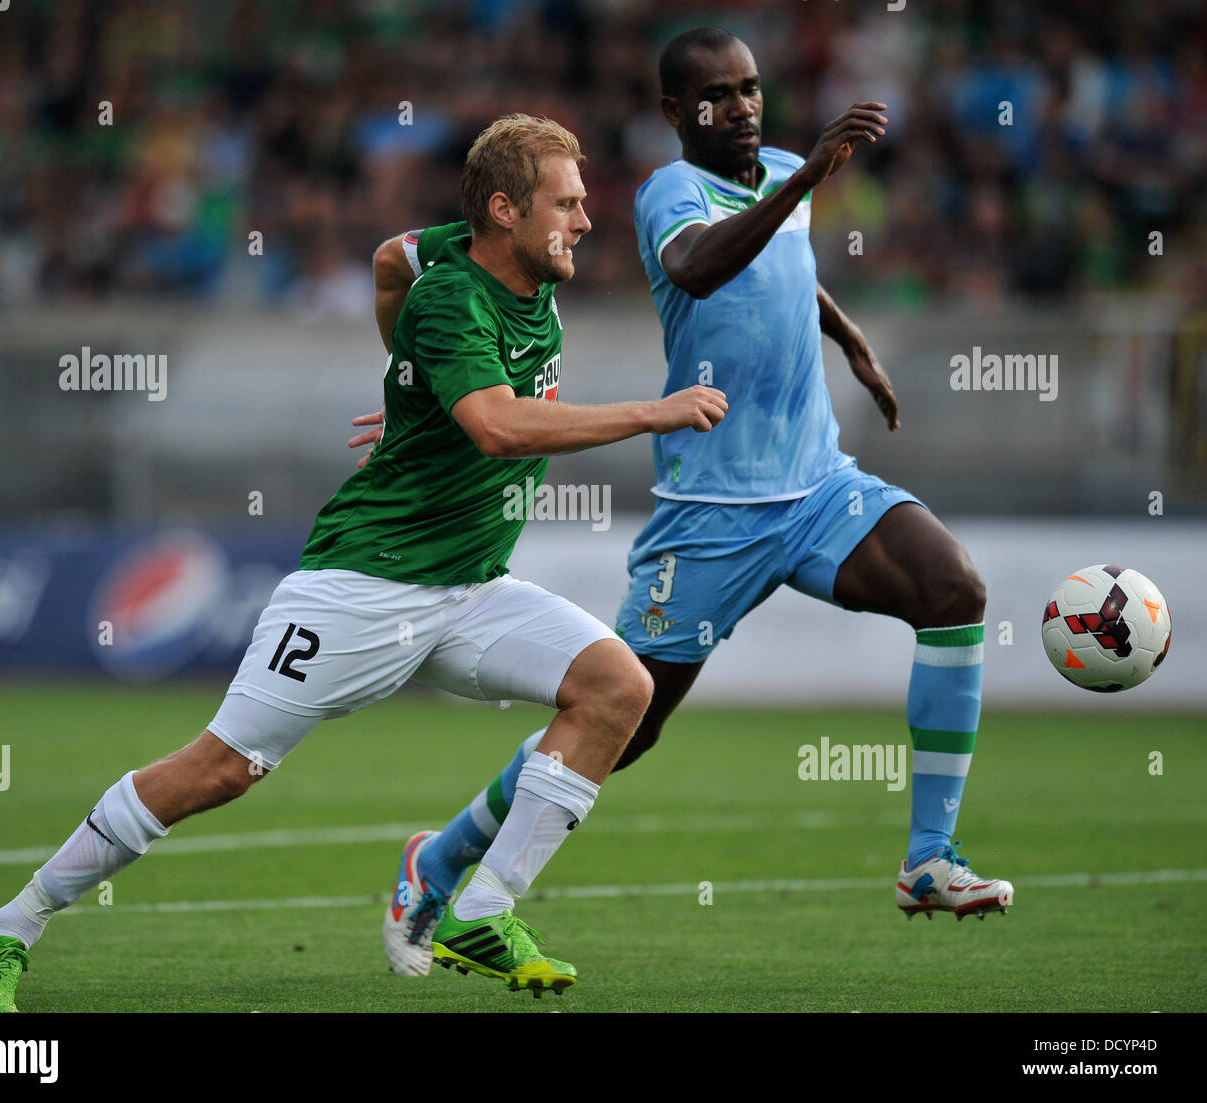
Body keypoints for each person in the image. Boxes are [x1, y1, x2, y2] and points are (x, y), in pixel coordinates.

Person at [0, 113, 728, 1010]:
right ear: (507, 210)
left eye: (585, 203)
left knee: (619, 690)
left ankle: (480, 907)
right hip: (364, 581)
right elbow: (496, 426)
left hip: (470, 587)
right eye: (568, 204)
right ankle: (9, 926)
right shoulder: (458, 299)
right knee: (219, 769)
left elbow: (387, 260)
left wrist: (409, 386)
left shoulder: (477, 257)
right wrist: (649, 411)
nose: (586, 222)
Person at [365, 28, 1012, 979]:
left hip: (820, 485)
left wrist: (851, 339)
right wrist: (803, 184)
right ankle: (444, 857)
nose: (743, 107)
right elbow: (701, 266)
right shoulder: (673, 193)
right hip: (712, 516)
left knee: (953, 589)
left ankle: (927, 859)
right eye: (718, 95)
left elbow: (790, 264)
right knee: (623, 726)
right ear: (677, 113)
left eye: (751, 89)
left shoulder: (785, 174)